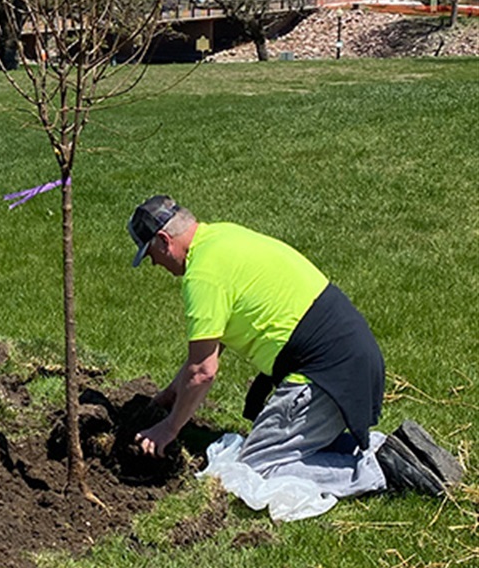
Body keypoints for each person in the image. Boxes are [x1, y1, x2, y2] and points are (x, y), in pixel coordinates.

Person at [127, 196, 463, 502]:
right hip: (354, 362)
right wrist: (172, 393)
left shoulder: (202, 275)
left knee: (256, 468)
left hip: (324, 377)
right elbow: (209, 348)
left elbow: (203, 372)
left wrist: (169, 428)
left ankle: (380, 471)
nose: (156, 265)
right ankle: (390, 449)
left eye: (151, 255)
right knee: (278, 452)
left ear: (164, 241)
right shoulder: (222, 238)